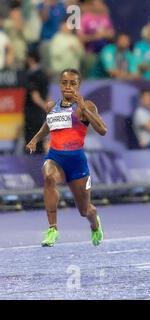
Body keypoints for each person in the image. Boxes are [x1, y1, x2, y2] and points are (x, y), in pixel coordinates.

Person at [26, 68, 108, 247]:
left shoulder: (87, 106)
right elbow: (48, 125)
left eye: (73, 83)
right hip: (56, 157)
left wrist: (84, 107)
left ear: (79, 86)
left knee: (85, 210)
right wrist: (34, 140)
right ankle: (52, 229)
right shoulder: (50, 106)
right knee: (48, 177)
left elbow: (103, 130)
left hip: (77, 163)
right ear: (60, 85)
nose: (68, 87)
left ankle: (95, 224)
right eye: (64, 83)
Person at [24, 51, 49, 154]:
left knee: (31, 142)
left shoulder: (31, 75)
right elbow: (47, 95)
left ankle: (31, 167)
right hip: (41, 115)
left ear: (31, 59)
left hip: (33, 114)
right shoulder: (44, 74)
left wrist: (44, 107)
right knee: (40, 140)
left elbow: (35, 97)